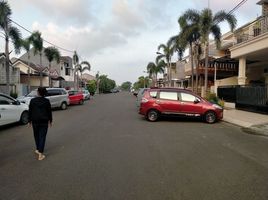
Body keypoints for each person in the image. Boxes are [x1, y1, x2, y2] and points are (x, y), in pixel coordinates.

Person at [28, 87, 52, 161]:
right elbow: (49, 112)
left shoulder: (32, 100)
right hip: (44, 121)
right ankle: (40, 154)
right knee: (42, 137)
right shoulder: (46, 101)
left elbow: (30, 111)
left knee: (36, 135)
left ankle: (38, 149)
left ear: (38, 92)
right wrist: (50, 121)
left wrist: (29, 121)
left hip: (35, 121)